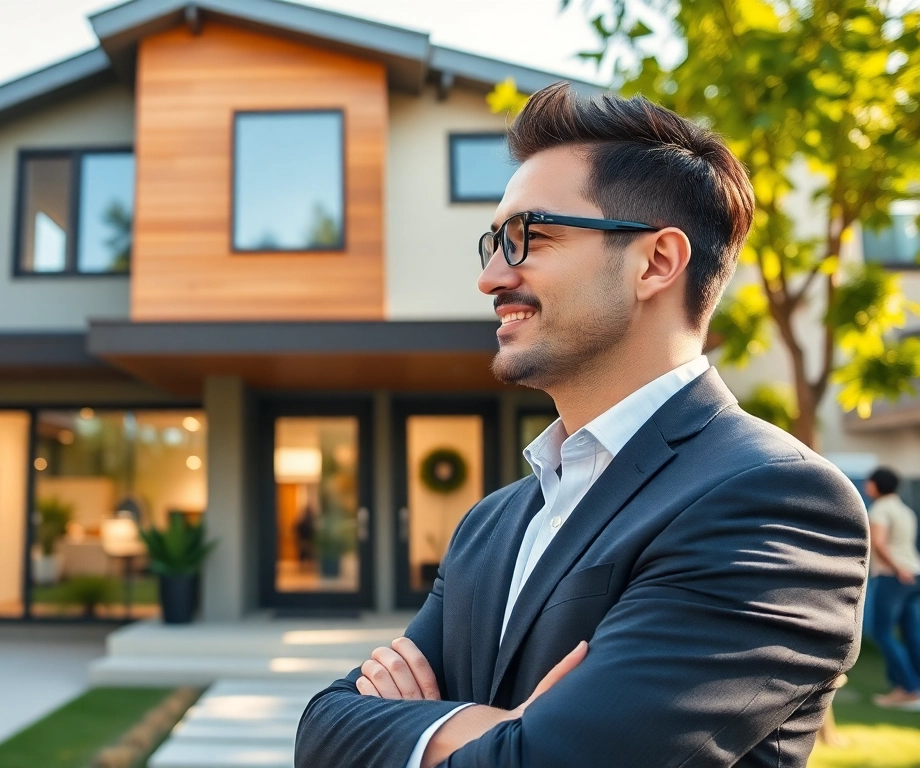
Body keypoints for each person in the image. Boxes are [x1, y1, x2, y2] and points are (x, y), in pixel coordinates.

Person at [293, 82, 869, 768]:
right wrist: (494, 727)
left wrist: (438, 729)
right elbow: (322, 730)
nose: (490, 279)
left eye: (529, 238)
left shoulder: (773, 501)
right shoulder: (492, 521)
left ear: (656, 262)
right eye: (492, 243)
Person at [863, 466, 920, 710]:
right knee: (912, 633)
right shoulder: (905, 510)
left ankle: (908, 688)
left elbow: (878, 543)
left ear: (877, 485)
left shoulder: (880, 509)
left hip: (895, 576)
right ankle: (912, 688)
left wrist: (897, 570)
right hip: (914, 574)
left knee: (882, 632)